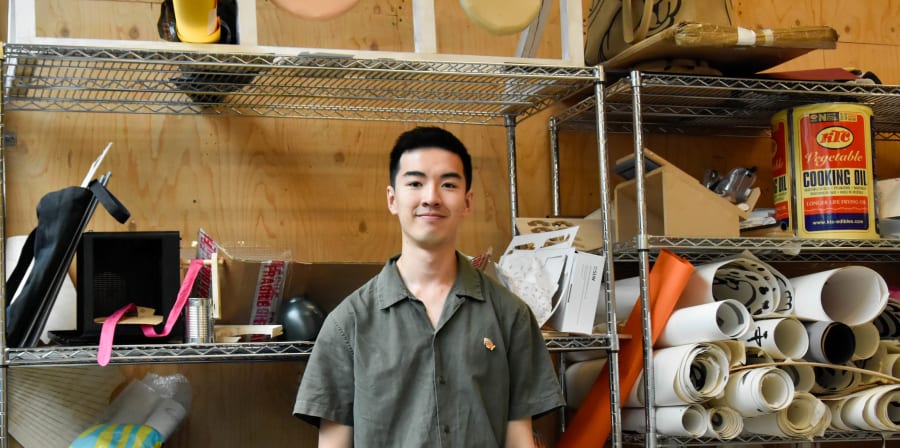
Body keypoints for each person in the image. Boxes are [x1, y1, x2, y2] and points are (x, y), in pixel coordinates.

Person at [293, 126, 564, 447]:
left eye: (448, 184)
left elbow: (519, 438)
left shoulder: (510, 315)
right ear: (393, 199)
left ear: (467, 201)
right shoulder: (347, 325)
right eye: (415, 183)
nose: (431, 197)